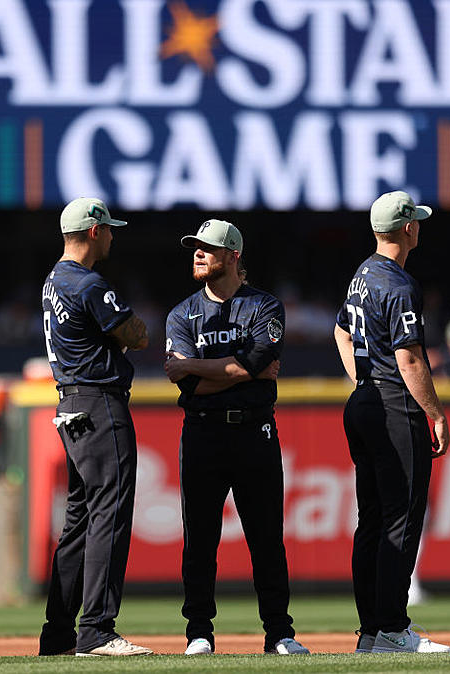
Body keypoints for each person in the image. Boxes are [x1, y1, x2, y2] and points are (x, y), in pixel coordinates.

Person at [164, 219, 309, 657]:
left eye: (209, 248)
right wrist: (237, 370)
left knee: (266, 537)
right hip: (203, 432)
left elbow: (252, 363)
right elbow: (191, 383)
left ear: (233, 256)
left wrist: (198, 366)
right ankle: (199, 633)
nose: (199, 253)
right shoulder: (181, 313)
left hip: (254, 431)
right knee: (201, 539)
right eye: (196, 247)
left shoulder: (264, 306)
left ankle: (279, 633)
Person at [332, 191, 450, 654]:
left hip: (363, 401)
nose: (419, 227)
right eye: (416, 221)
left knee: (373, 521)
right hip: (393, 405)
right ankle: (393, 629)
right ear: (407, 229)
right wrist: (436, 413)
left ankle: (370, 632)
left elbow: (341, 331)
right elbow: (409, 356)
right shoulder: (398, 283)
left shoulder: (363, 274)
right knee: (400, 519)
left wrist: (362, 378)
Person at [37, 197, 152, 658]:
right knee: (109, 512)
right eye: (108, 229)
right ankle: (97, 630)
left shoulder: (52, 281)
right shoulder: (86, 282)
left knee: (78, 522)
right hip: (98, 403)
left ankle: (59, 634)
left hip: (69, 403)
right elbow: (137, 334)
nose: (112, 235)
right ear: (92, 231)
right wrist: (124, 335)